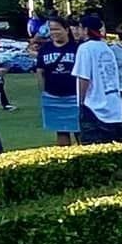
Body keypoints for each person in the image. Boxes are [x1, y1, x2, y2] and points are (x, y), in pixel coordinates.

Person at [73, 14, 122, 144]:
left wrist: (81, 102)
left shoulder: (85, 48)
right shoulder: (106, 48)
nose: (76, 31)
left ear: (85, 30)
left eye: (79, 28)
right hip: (114, 105)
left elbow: (83, 78)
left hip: (94, 106)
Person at [35, 16, 82, 146]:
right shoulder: (45, 49)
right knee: (61, 132)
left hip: (74, 95)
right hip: (53, 95)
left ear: (66, 30)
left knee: (80, 131)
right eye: (51, 30)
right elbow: (40, 71)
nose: (54, 32)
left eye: (57, 29)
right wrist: (43, 92)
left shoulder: (77, 48)